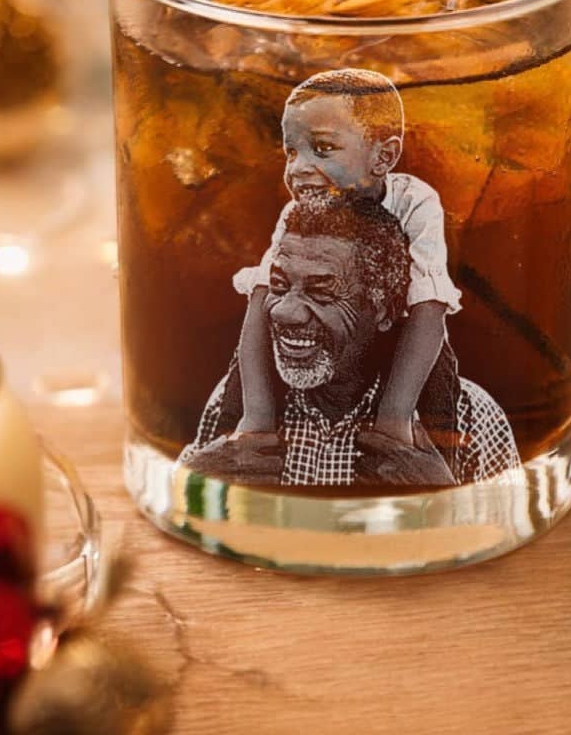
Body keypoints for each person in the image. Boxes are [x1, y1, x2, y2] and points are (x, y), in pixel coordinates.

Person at [182, 196, 520, 487]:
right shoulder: (237, 400)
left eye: (322, 292)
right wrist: (194, 480)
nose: (285, 312)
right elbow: (184, 499)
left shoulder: (469, 414)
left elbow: (508, 524)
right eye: (280, 286)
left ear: (384, 311)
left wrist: (443, 496)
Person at [232, 68, 461, 448]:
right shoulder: (299, 214)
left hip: (400, 338)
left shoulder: (414, 202)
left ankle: (438, 474)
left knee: (440, 382)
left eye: (322, 148)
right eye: (291, 151)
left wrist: (393, 418)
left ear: (383, 156)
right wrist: (256, 416)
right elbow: (261, 296)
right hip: (328, 343)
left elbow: (429, 305)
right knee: (238, 381)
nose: (298, 167)